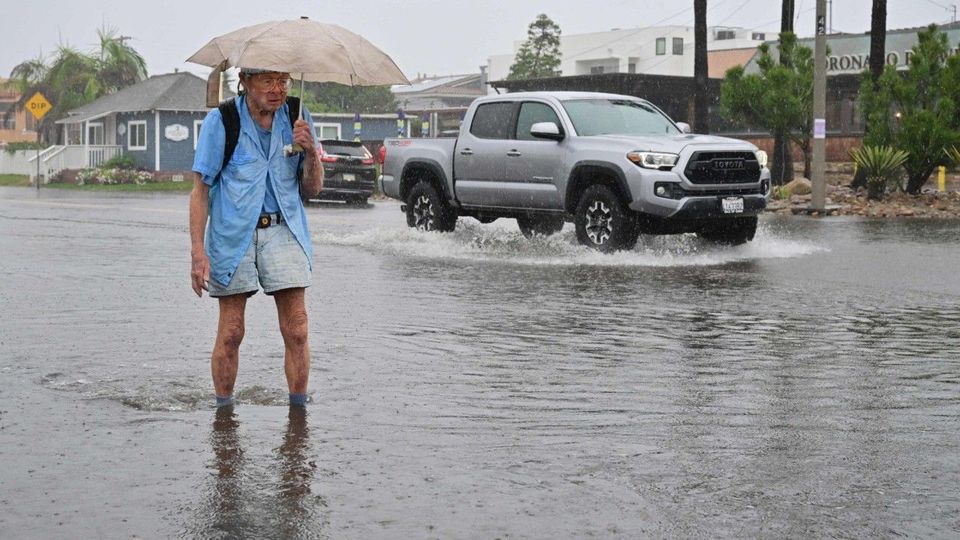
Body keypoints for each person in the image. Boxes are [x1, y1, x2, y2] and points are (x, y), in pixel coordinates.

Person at [190, 67, 323, 408]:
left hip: (285, 229)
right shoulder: (222, 122)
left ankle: (298, 413)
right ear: (246, 81)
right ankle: (223, 413)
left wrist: (311, 153)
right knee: (232, 331)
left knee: (297, 329)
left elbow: (313, 188)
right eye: (267, 80)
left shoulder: (297, 115)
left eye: (283, 81)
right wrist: (197, 253)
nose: (277, 89)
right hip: (234, 234)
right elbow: (200, 191)